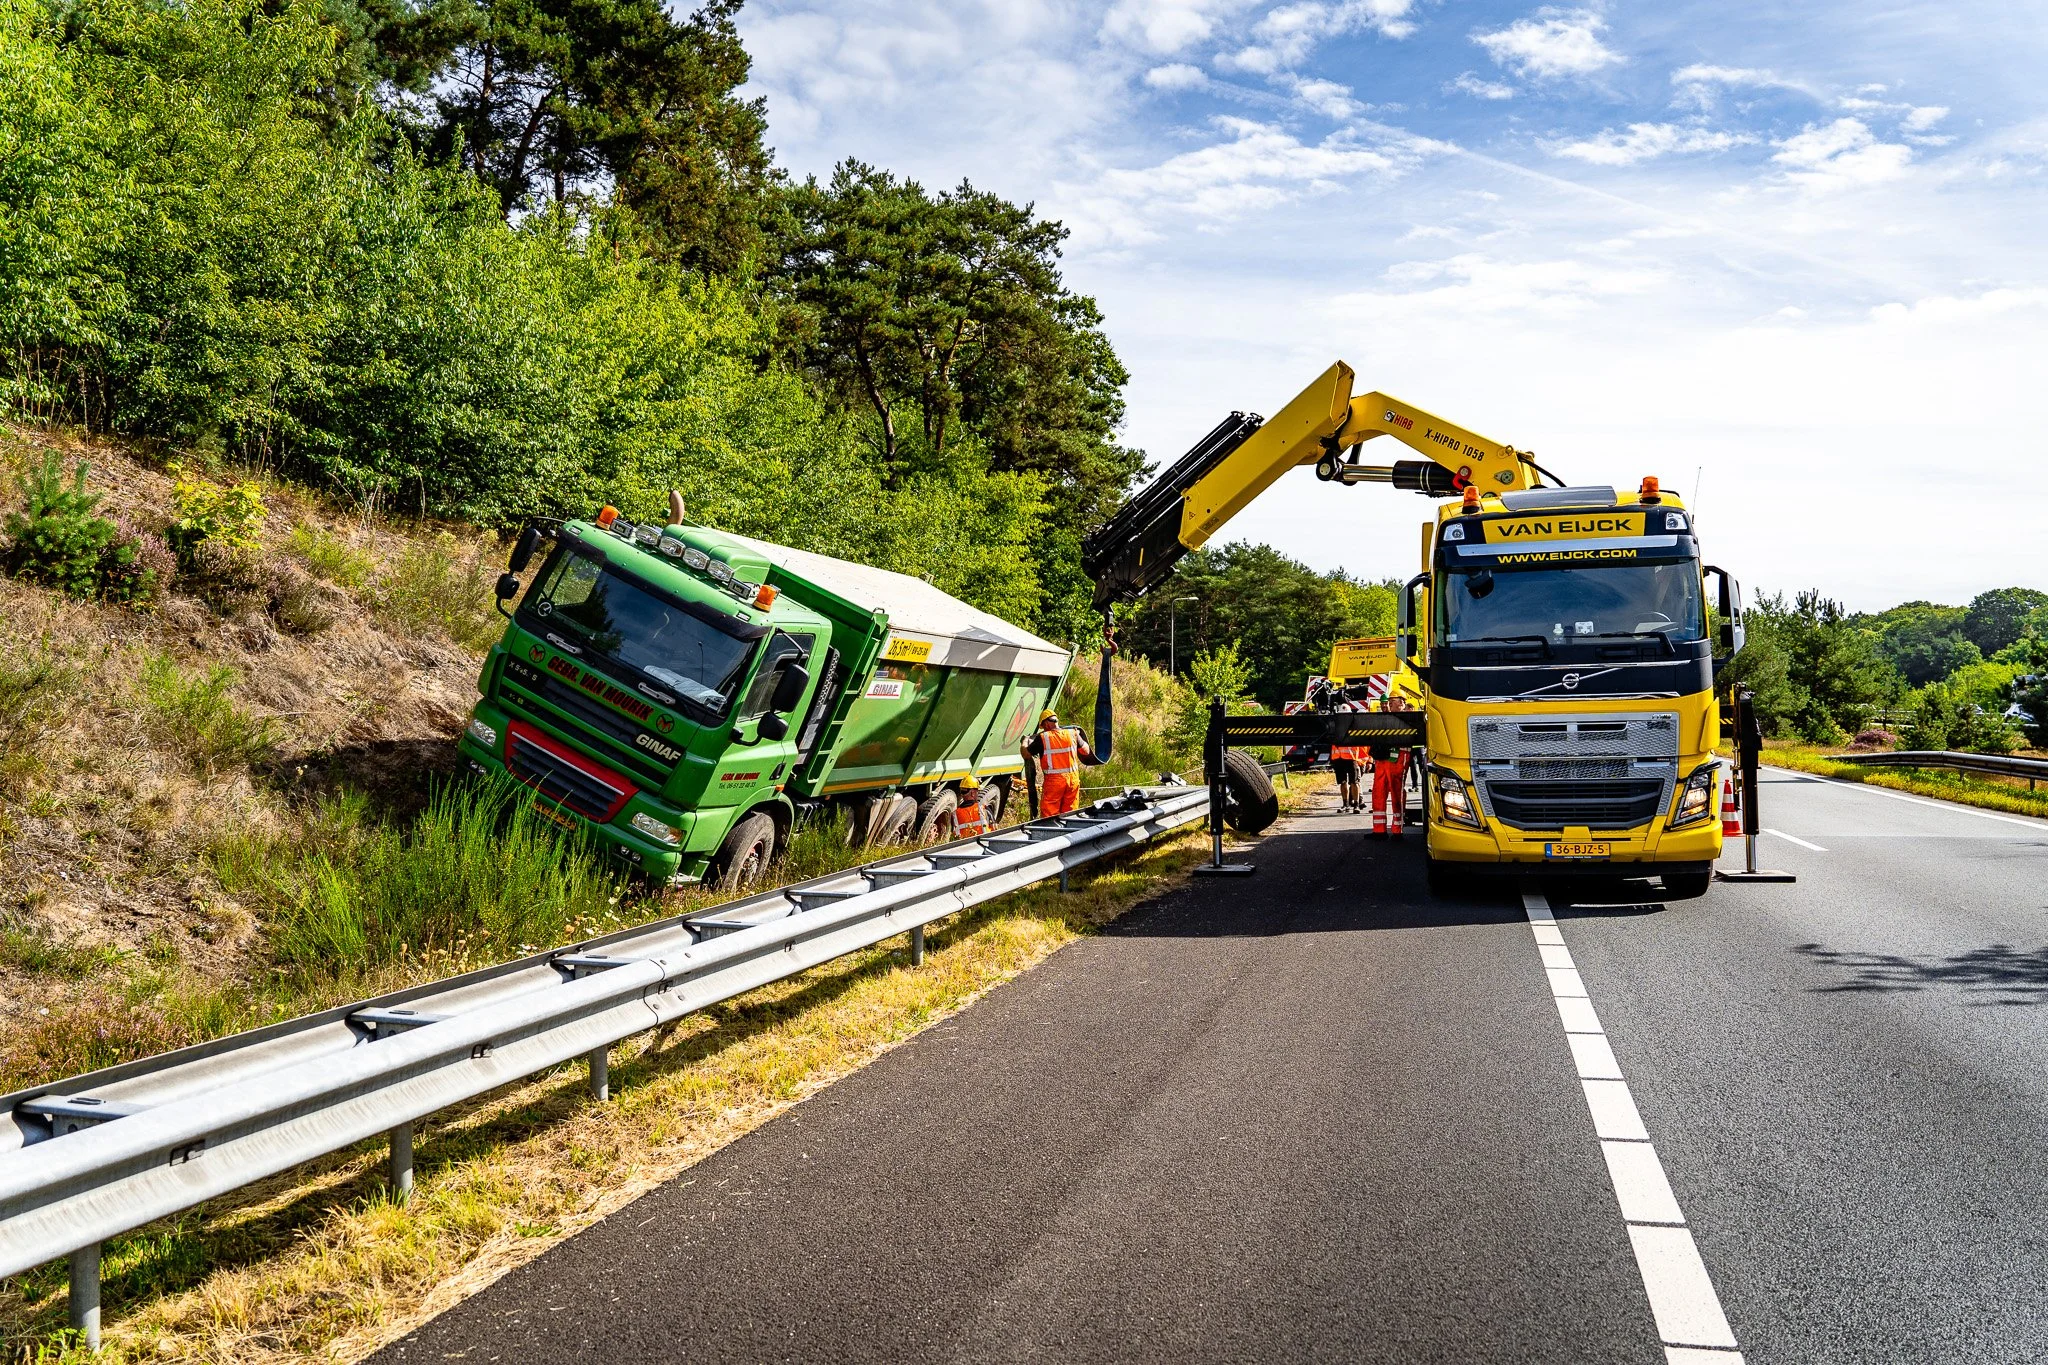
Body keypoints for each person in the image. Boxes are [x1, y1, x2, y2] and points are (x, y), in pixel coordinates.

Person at [1022, 709, 1098, 817]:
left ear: (1046, 723)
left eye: (1043, 727)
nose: (1043, 730)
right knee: (1070, 815)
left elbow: (1026, 754)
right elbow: (1086, 751)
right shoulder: (1072, 733)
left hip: (1054, 783)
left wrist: (1025, 741)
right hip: (1072, 781)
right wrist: (1078, 736)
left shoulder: (1043, 738)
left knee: (1049, 817)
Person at [1368, 695, 1412, 838]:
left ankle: (1397, 830)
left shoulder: (1408, 718)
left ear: (1402, 703)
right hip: (1383, 759)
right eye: (1389, 702)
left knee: (1396, 793)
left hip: (1398, 759)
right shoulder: (1383, 718)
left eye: (1392, 702)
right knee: (1378, 792)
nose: (1389, 704)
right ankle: (1379, 830)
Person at [1329, 695, 1366, 812]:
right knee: (1343, 782)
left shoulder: (1354, 726)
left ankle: (1356, 804)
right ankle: (1345, 804)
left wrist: (1362, 760)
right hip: (1339, 758)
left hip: (1351, 758)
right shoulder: (1335, 726)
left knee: (1354, 782)